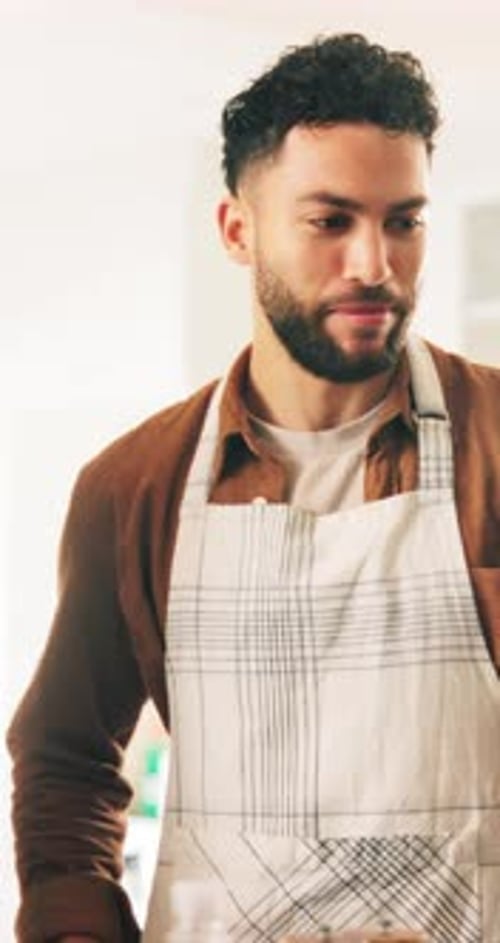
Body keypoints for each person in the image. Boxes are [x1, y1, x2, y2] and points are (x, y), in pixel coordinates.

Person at [7, 31, 500, 943]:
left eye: (405, 220)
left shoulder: (496, 444)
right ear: (239, 229)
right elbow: (64, 760)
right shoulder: (132, 488)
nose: (375, 265)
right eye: (331, 221)